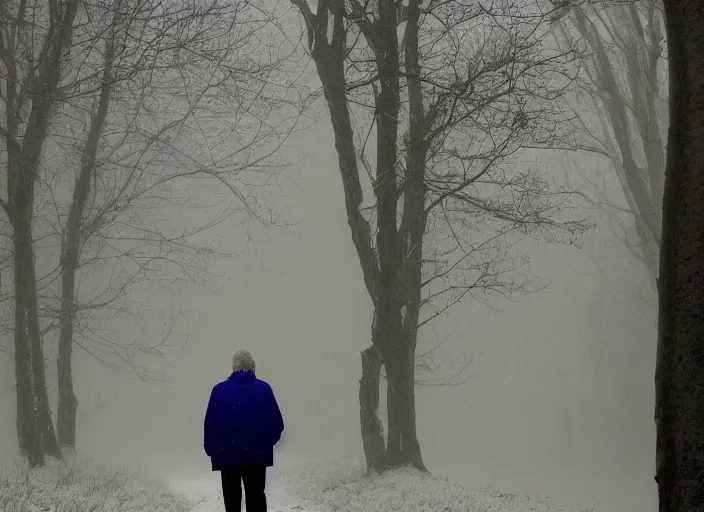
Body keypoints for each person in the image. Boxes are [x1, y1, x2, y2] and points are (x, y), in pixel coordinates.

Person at [204, 350, 284, 512]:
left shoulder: (219, 391)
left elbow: (210, 424)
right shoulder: (263, 389)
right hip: (256, 457)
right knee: (256, 499)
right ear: (252, 365)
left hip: (227, 456)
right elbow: (277, 423)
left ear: (234, 366)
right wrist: (265, 443)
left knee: (231, 501)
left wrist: (212, 449)